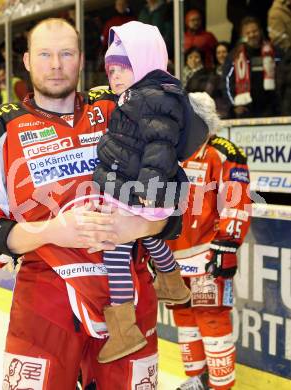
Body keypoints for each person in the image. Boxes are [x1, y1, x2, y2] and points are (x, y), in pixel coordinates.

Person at [0, 18, 200, 389]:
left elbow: (178, 190)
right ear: (26, 61)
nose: (56, 64)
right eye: (45, 54)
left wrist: (143, 226)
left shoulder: (120, 104)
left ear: (81, 59)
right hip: (45, 300)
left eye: (66, 54)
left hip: (129, 294)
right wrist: (51, 231)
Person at [92, 21, 210, 364]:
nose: (113, 77)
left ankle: (125, 330)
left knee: (115, 251)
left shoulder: (152, 98)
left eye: (122, 69)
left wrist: (150, 189)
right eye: (110, 70)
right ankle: (172, 284)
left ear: (144, 63)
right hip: (133, 186)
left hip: (141, 190)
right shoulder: (140, 95)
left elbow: (159, 145)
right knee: (149, 240)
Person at [166, 92, 251, 390]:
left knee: (212, 320)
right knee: (185, 320)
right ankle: (196, 382)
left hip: (208, 256)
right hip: (174, 258)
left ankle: (220, 386)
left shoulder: (225, 152)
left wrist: (227, 243)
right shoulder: (172, 151)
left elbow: (237, 201)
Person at [223, 16, 282, 118]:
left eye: (254, 31)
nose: (252, 35)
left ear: (260, 32)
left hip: (273, 109)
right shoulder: (234, 56)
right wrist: (234, 105)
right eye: (248, 33)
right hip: (246, 111)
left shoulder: (275, 53)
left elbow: (284, 78)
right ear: (243, 35)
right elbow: (225, 83)